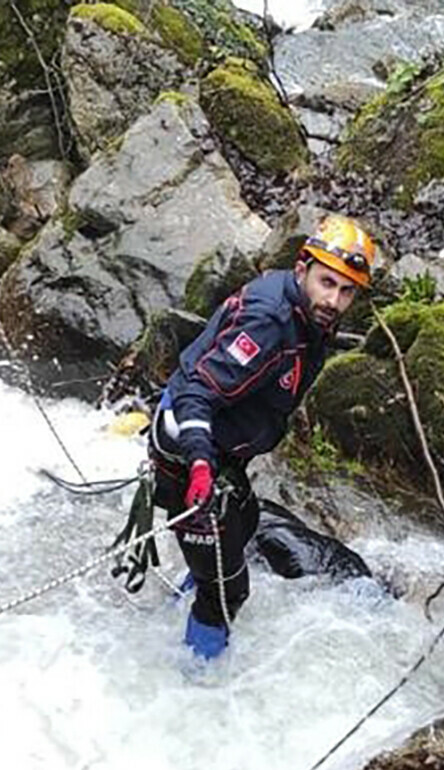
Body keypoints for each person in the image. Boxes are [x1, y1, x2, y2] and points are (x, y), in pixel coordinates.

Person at [148, 215, 376, 659]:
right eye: (327, 283)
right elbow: (199, 393)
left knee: (245, 525)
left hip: (221, 450)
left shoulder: (305, 316)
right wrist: (197, 465)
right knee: (228, 593)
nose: (333, 300)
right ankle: (195, 683)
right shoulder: (268, 323)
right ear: (302, 269)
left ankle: (183, 599)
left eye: (346, 291)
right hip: (189, 449)